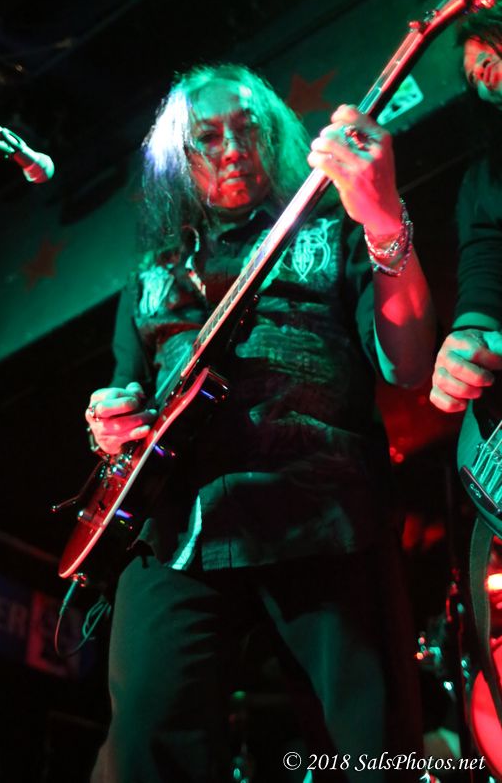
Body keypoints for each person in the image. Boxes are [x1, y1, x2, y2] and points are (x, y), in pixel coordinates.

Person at [87, 64, 435, 782]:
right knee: (144, 743)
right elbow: (122, 392)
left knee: (372, 749)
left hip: (323, 511)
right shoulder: (150, 274)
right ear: (180, 159)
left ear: (274, 137)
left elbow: (409, 364)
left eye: (248, 130)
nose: (232, 150)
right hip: (179, 530)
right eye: (209, 137)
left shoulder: (329, 229)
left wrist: (382, 219)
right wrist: (109, 422)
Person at [430, 2, 502, 414]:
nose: (482, 74)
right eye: (474, 76)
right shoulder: (484, 181)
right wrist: (465, 344)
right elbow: (483, 275)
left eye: (490, 53)